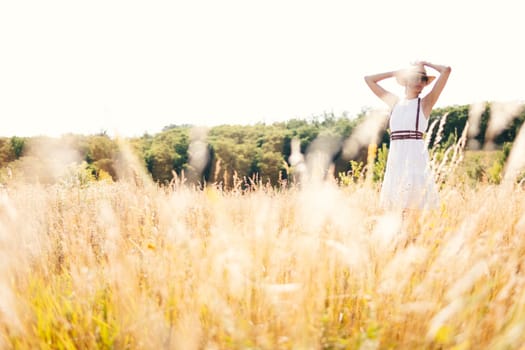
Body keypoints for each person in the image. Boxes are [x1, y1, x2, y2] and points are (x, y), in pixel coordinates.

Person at [364, 61, 451, 211]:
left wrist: (426, 63)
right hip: (396, 157)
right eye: (415, 78)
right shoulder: (394, 103)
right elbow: (368, 79)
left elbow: (446, 70)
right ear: (406, 80)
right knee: (396, 205)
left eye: (423, 79)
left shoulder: (425, 103)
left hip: (415, 158)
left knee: (417, 202)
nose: (419, 82)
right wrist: (395, 73)